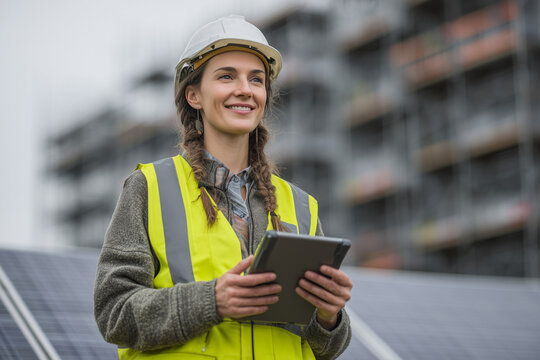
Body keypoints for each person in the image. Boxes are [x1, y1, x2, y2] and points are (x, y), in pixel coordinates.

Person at [94, 14, 353, 360]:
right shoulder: (149, 188)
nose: (244, 89)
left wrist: (330, 316)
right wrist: (210, 300)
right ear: (194, 95)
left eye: (256, 79)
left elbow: (326, 347)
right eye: (227, 76)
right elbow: (114, 313)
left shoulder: (301, 206)